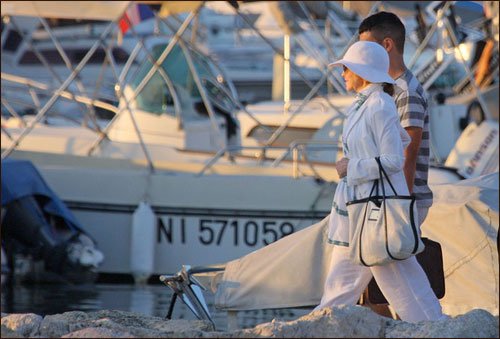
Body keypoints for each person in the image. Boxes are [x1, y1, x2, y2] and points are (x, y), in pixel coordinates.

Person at [314, 40, 444, 323]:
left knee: (391, 284)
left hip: (373, 212)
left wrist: (352, 167)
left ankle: (437, 327)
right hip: (363, 210)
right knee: (355, 285)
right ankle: (437, 327)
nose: (343, 74)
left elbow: (394, 159)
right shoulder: (367, 105)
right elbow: (402, 139)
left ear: (362, 72)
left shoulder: (380, 105)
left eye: (347, 68)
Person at [358, 11, 433, 229]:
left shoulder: (406, 92)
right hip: (392, 196)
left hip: (404, 200)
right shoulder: (390, 87)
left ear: (387, 45)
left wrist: (401, 208)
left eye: (367, 48)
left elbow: (408, 155)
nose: (362, 56)